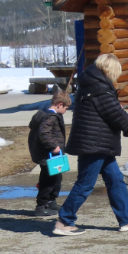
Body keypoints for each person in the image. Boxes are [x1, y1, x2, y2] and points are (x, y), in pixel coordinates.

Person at [54, 54, 128, 236]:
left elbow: (109, 111)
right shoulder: (99, 87)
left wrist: (124, 117)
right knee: (85, 184)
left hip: (97, 142)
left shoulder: (91, 83)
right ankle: (64, 221)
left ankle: (127, 220)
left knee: (116, 180)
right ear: (111, 69)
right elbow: (113, 114)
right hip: (94, 143)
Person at [28, 88, 71, 216]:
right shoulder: (50, 117)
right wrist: (54, 146)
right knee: (48, 179)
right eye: (66, 108)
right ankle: (41, 205)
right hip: (47, 154)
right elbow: (44, 133)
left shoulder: (45, 114)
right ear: (60, 105)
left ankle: (51, 201)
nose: (65, 111)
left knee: (57, 177)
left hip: (52, 155)